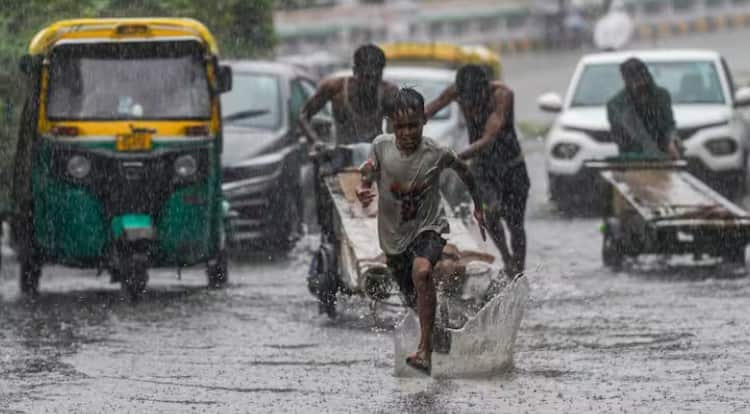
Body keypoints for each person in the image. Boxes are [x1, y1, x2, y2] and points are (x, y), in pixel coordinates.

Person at [356, 88, 485, 374]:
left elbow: (463, 170)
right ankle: (439, 337)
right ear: (391, 125)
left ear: (423, 122)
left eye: (413, 125)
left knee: (423, 271)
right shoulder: (381, 146)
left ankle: (424, 352)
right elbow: (367, 170)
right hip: (393, 240)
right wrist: (363, 187)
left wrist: (478, 205)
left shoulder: (436, 153)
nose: (407, 133)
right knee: (416, 301)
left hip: (430, 228)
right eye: (400, 126)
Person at [425, 64, 530, 279]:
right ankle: (507, 258)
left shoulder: (502, 95)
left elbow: (488, 139)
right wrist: (406, 124)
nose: (470, 105)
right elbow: (431, 109)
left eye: (474, 99)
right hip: (482, 168)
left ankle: (519, 270)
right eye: (466, 100)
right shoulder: (457, 91)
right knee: (489, 213)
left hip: (512, 167)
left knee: (515, 224)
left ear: (485, 89)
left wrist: (455, 158)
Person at [298, 44, 398, 147]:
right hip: (343, 158)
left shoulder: (388, 92)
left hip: (375, 156)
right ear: (355, 71)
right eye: (367, 77)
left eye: (377, 77)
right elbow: (303, 115)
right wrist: (315, 142)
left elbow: (399, 125)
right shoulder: (335, 89)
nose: (371, 83)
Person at [606, 57, 681, 159]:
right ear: (626, 80)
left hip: (664, 158)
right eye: (635, 80)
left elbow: (669, 125)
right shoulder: (616, 105)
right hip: (632, 160)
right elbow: (619, 138)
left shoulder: (661, 96)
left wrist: (671, 140)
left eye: (642, 79)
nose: (640, 84)